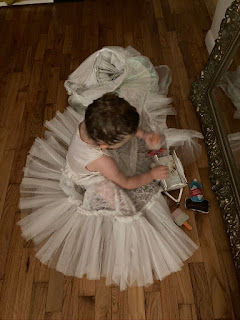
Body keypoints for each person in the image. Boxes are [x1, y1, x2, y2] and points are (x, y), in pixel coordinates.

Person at [18, 46, 201, 291]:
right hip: (93, 179)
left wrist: (143, 134)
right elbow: (125, 182)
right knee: (127, 206)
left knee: (133, 150)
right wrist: (151, 175)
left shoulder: (89, 122)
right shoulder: (103, 162)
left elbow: (122, 125)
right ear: (105, 145)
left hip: (83, 160)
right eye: (123, 139)